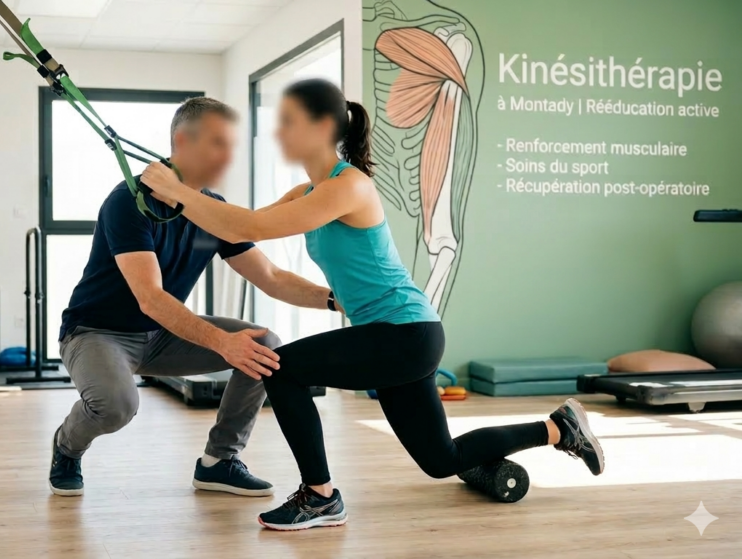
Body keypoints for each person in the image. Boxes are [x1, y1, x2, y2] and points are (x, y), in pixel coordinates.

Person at [141, 79, 605, 530]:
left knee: (281, 369)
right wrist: (179, 189)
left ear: (322, 128)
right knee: (441, 460)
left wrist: (178, 190)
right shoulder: (307, 192)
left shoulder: (348, 186)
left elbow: (248, 227)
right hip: (396, 337)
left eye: (289, 122)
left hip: (405, 333)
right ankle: (559, 428)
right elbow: (240, 225)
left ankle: (320, 496)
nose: (278, 132)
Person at [51, 97, 346, 499]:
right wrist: (223, 343)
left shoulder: (212, 211)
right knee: (116, 405)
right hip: (97, 333)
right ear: (182, 142)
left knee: (264, 346)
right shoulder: (128, 202)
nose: (228, 157)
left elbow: (271, 277)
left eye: (231, 146)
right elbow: (151, 298)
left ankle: (219, 462)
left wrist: (336, 300)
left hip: (162, 335)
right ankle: (67, 447)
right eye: (217, 143)